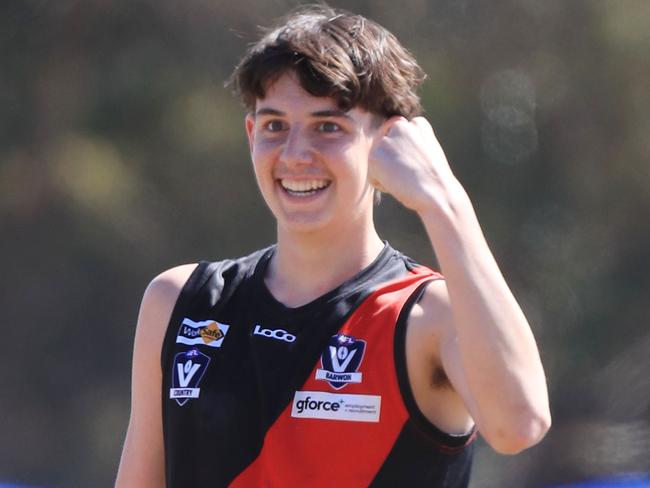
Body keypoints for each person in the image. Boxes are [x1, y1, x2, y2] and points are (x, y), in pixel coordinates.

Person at [116, 6, 551, 487]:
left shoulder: (427, 316)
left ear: (391, 141)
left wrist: (444, 202)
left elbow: (520, 424)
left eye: (329, 127)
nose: (296, 155)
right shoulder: (181, 301)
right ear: (250, 134)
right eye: (275, 125)